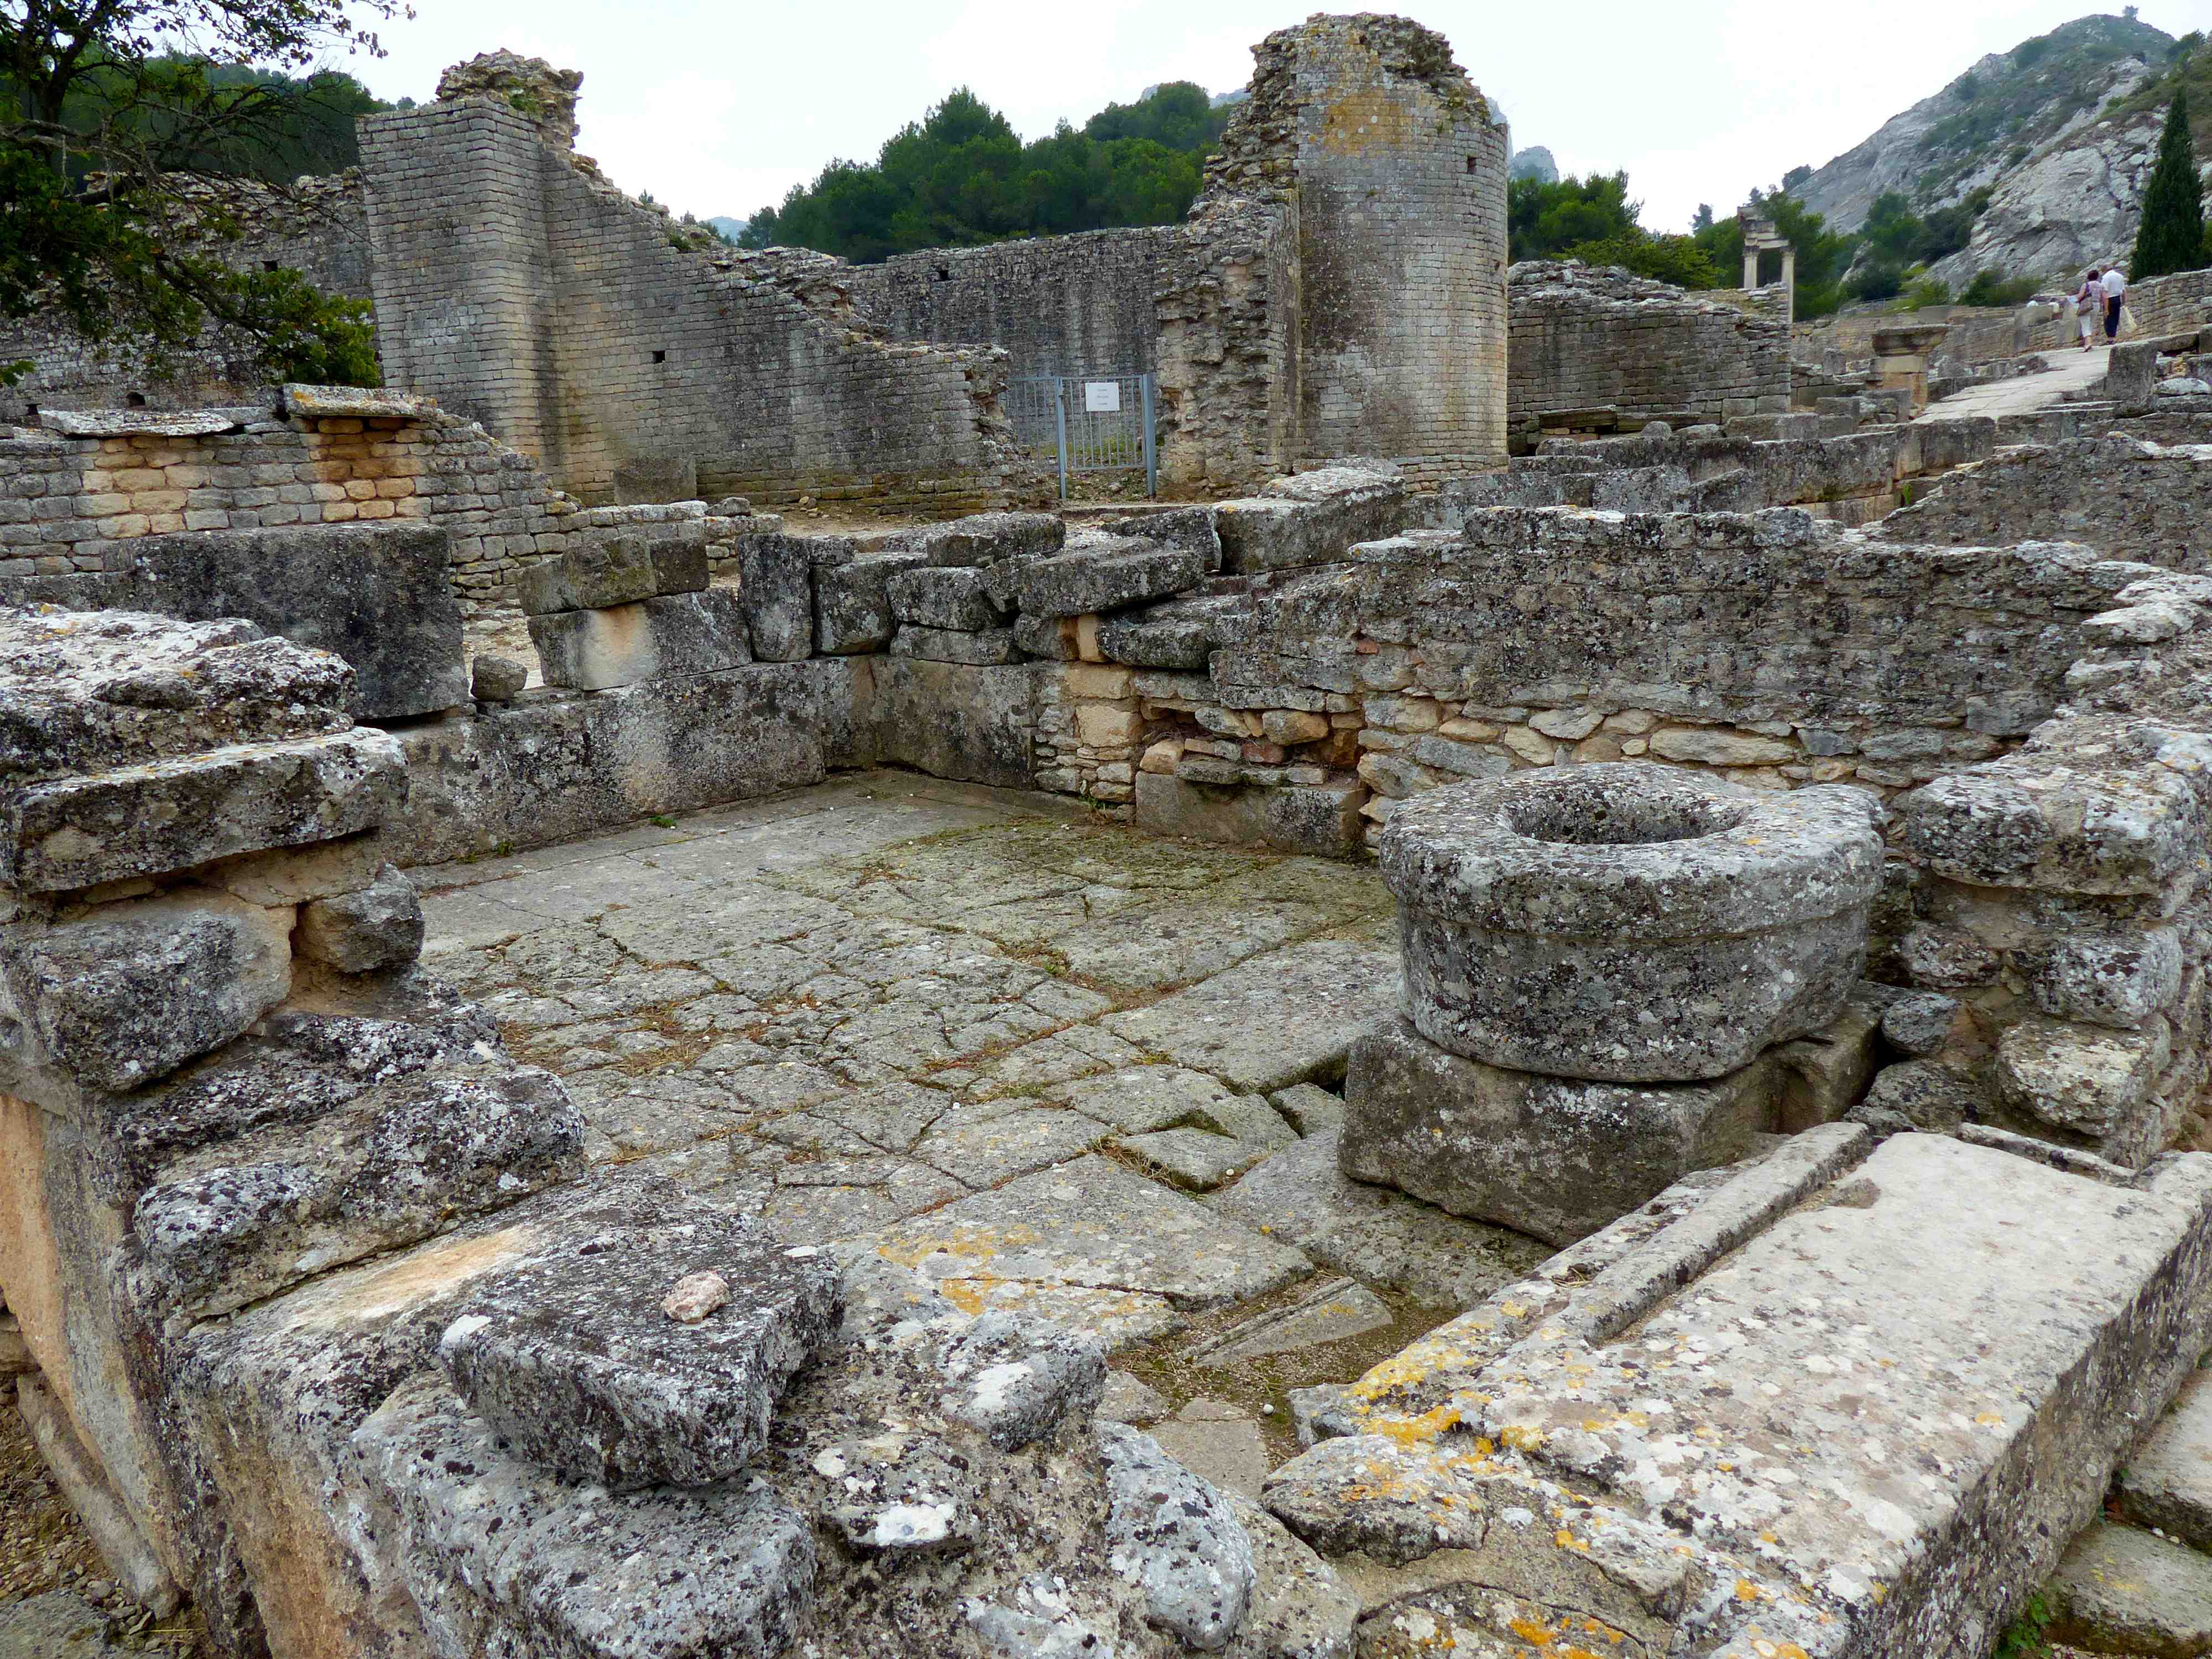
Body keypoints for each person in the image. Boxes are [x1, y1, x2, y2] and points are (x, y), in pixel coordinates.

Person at [2074, 269, 2102, 350]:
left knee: (2085, 324)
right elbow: (2103, 296)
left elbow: (2081, 296)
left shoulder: (2086, 285)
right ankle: (2088, 343)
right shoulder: (2100, 285)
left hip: (2087, 305)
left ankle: (2088, 343)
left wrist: (2075, 300)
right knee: (2090, 324)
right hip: (2097, 305)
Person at [2103, 263, 2128, 342]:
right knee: (2115, 318)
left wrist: (2106, 308)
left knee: (2108, 319)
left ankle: (2110, 338)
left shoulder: (2106, 277)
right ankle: (2113, 337)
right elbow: (2124, 291)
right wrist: (2124, 302)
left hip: (2109, 299)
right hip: (2118, 299)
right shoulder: (2120, 276)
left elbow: (2105, 293)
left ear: (2104, 270)